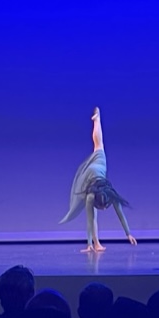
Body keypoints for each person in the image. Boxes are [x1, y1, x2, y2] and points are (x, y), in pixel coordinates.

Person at [60, 107, 137, 252]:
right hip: (91, 173)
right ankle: (94, 244)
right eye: (101, 207)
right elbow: (90, 221)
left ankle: (96, 244)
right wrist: (88, 244)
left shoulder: (110, 194)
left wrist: (128, 234)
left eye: (103, 206)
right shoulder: (90, 196)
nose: (103, 209)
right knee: (98, 145)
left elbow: (121, 216)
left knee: (98, 146)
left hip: (98, 169)